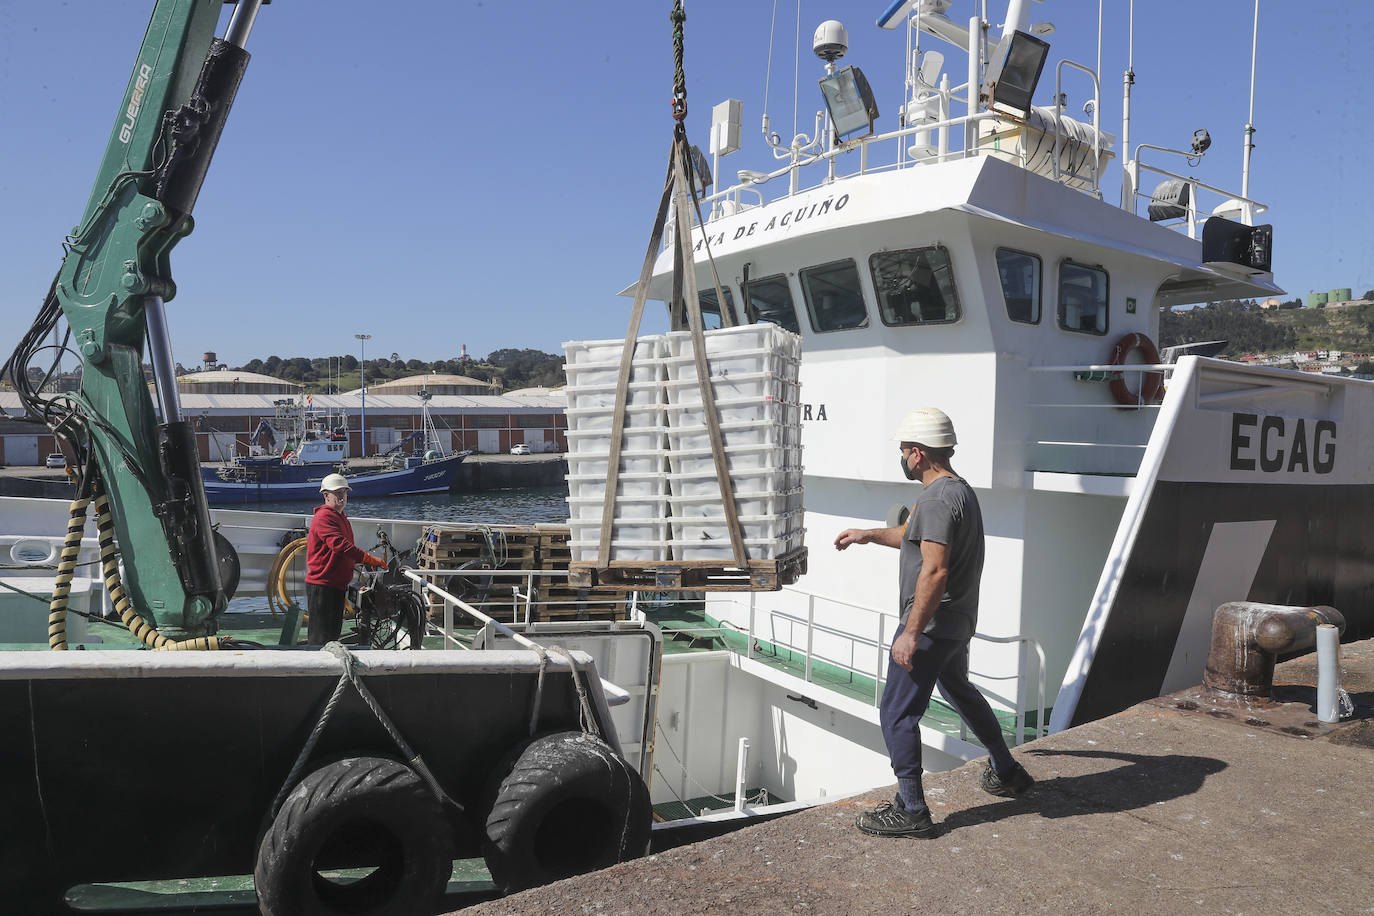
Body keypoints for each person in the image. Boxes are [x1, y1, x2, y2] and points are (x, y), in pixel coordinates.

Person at [835, 408, 1033, 838]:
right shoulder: (958, 492)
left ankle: (912, 810)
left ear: (919, 454)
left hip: (930, 626)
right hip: (956, 622)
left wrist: (910, 633)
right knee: (958, 689)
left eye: (904, 451)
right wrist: (868, 534)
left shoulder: (937, 498)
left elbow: (935, 569)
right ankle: (1006, 770)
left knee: (896, 713)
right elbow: (914, 536)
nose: (902, 457)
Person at [304, 474, 388, 645]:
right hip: (323, 586)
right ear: (326, 495)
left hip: (335, 585)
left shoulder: (341, 518)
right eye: (337, 492)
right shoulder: (324, 517)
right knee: (320, 639)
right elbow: (340, 546)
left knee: (332, 635)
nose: (342, 496)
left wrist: (358, 562)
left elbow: (344, 550)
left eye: (344, 492)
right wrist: (367, 558)